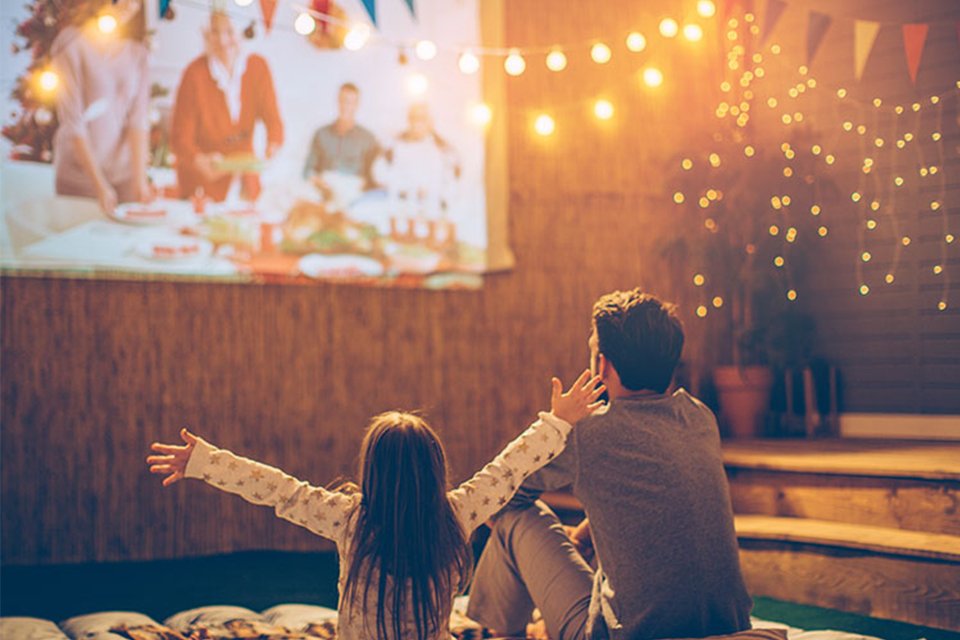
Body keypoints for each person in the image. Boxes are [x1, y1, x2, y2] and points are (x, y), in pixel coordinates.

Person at [146, 372, 605, 640]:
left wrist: (204, 463)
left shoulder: (350, 520)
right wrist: (558, 420)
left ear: (372, 471)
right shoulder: (456, 514)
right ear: (434, 467)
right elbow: (508, 469)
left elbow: (277, 489)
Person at [466, 289, 753, 640]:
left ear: (602, 365)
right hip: (727, 627)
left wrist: (558, 422)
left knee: (515, 516)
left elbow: (503, 496)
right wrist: (588, 533)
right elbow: (657, 493)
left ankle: (496, 631)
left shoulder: (589, 433)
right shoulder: (698, 417)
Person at [170, 10, 283, 203]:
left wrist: (272, 145)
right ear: (207, 35)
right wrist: (199, 160)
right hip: (202, 182)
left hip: (244, 181)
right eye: (215, 32)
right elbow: (181, 137)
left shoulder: (258, 67)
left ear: (241, 32)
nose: (222, 41)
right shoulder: (194, 73)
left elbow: (273, 119)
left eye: (229, 32)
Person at [51, 0, 152, 213]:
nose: (128, 4)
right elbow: (73, 123)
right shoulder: (71, 45)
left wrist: (139, 181)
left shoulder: (138, 52)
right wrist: (100, 186)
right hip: (80, 179)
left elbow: (138, 121)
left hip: (123, 179)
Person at [377, 102, 461, 220]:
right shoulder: (395, 145)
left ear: (430, 121)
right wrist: (405, 188)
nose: (417, 123)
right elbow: (380, 174)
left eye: (422, 119)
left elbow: (451, 185)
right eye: (413, 118)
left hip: (432, 210)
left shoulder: (443, 150)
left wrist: (432, 193)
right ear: (408, 120)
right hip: (399, 206)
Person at [302, 83, 380, 198]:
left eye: (350, 102)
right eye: (342, 100)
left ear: (357, 105)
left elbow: (376, 175)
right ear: (337, 101)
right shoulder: (321, 134)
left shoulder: (368, 139)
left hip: (353, 190)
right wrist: (317, 182)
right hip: (323, 188)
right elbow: (308, 170)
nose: (345, 106)